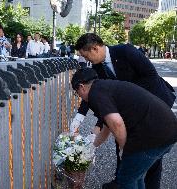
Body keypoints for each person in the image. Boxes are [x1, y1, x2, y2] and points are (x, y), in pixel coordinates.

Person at [71, 33, 176, 189]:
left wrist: (129, 95)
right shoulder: (96, 69)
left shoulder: (125, 51)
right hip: (127, 109)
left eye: (86, 56)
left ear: (95, 48)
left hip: (154, 101)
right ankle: (125, 177)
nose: (87, 60)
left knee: (149, 156)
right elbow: (103, 104)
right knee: (127, 149)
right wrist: (84, 124)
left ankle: (139, 182)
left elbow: (150, 76)